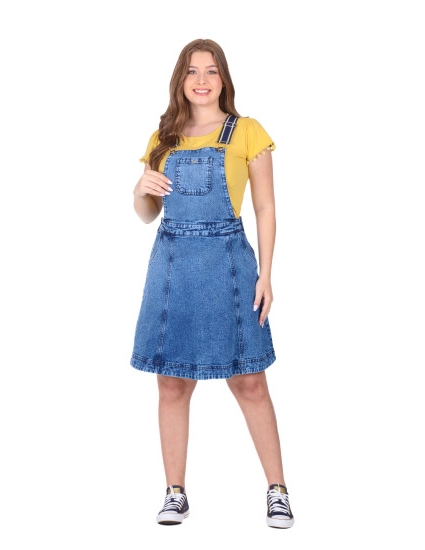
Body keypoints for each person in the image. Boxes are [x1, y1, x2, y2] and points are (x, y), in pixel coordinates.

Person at [130, 38, 294, 529]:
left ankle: (278, 491)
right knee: (171, 382)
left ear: (224, 79)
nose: (201, 80)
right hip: (172, 266)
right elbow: (148, 214)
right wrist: (138, 190)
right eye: (192, 71)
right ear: (180, 80)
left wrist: (267, 274)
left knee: (249, 380)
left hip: (228, 264)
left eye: (211, 70)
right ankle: (174, 493)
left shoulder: (247, 131)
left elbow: (265, 207)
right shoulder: (163, 137)